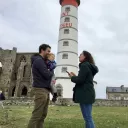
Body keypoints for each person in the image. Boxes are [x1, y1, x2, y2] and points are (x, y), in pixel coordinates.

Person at [68, 51, 99, 128]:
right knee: (87, 117)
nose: (79, 56)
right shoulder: (89, 66)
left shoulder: (84, 66)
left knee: (88, 118)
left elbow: (80, 80)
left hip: (85, 95)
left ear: (85, 56)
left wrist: (72, 77)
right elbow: (84, 79)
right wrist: (76, 77)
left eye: (81, 55)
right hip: (88, 93)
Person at [27, 44, 54, 128]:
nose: (50, 53)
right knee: (37, 115)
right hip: (40, 89)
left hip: (45, 90)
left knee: (43, 115)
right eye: (48, 51)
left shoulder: (43, 61)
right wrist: (52, 68)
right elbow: (47, 75)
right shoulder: (39, 61)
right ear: (42, 50)